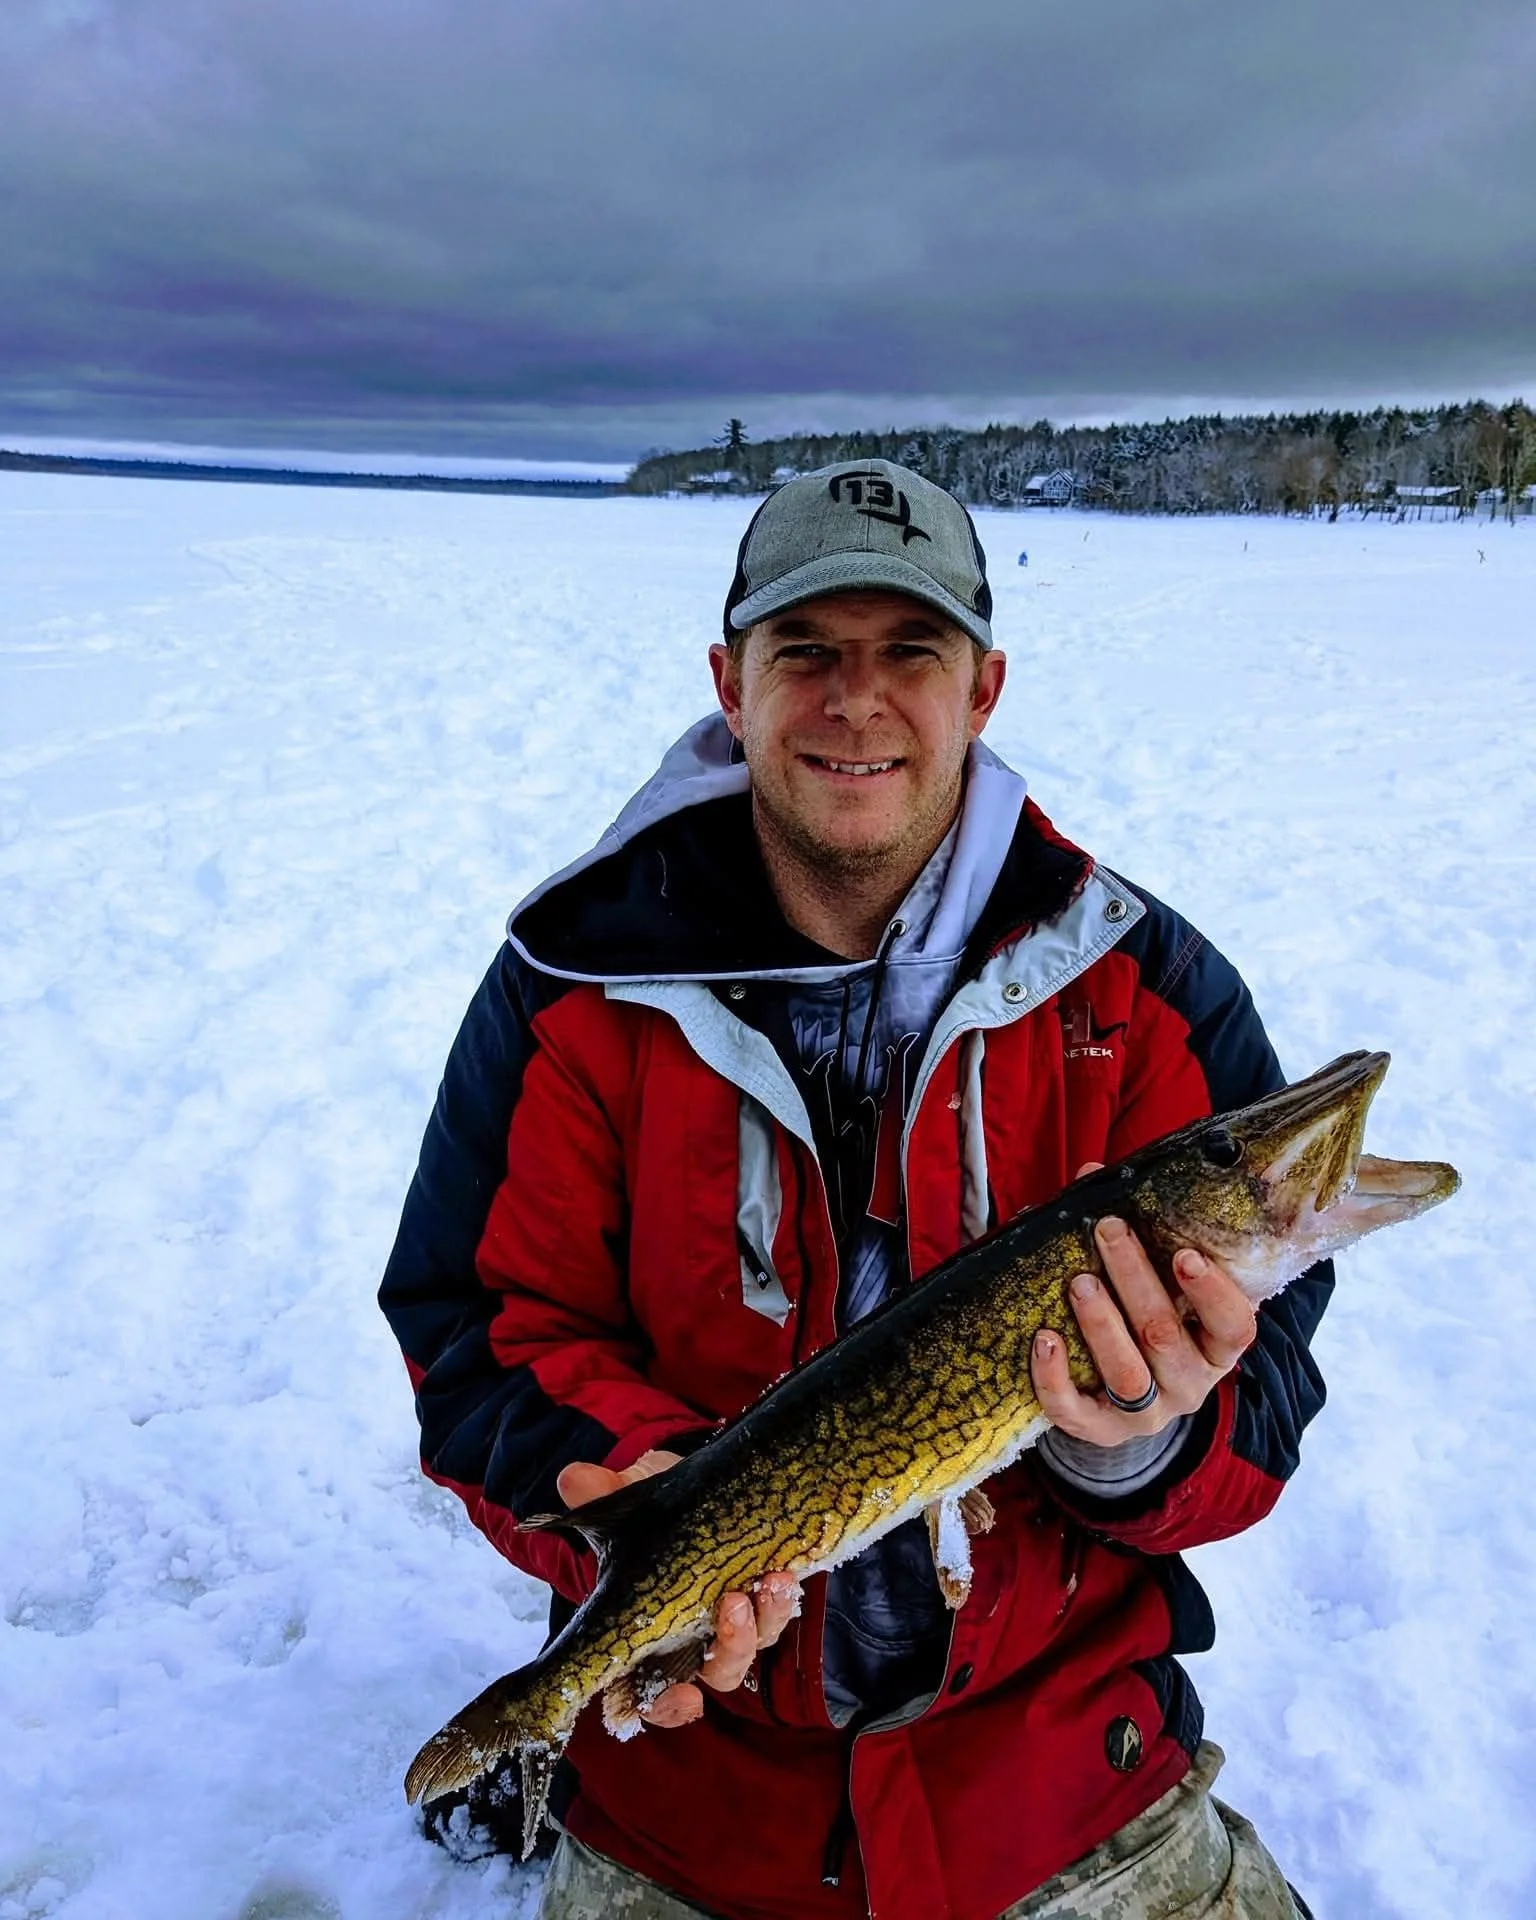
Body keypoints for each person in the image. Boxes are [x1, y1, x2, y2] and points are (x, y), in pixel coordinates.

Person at [380, 460, 1326, 1920]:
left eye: (911, 653)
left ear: (985, 687)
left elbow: (1262, 1407)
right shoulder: (572, 992)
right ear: (731, 677)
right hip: (694, 1792)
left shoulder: (1150, 995)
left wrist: (1139, 1443)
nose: (856, 700)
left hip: (1059, 1772)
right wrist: (633, 1493)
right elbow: (476, 1322)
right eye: (806, 651)